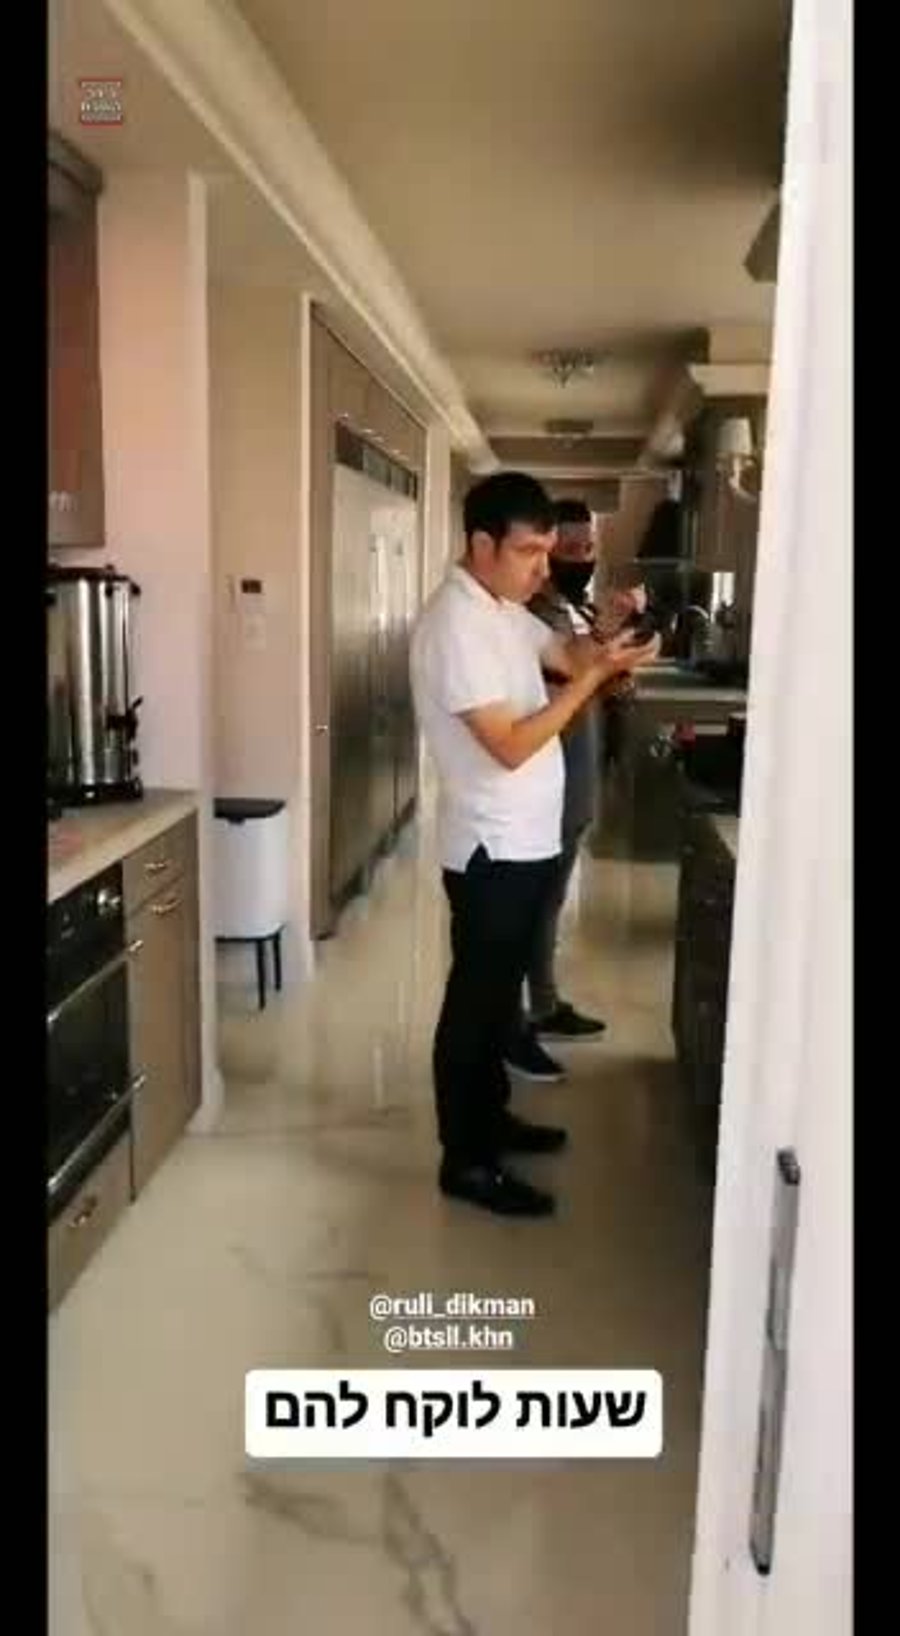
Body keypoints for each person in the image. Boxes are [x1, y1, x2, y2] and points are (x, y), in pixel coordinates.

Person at [409, 472, 660, 1218]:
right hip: (490, 848)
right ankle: (465, 1160)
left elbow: (568, 656)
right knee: (476, 1003)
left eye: (548, 552)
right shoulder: (455, 626)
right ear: (481, 544)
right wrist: (592, 682)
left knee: (497, 1003)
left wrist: (607, 639)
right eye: (529, 552)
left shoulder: (503, 610)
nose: (541, 568)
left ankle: (492, 1121)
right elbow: (511, 745)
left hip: (525, 839)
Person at [503, 498, 646, 1082]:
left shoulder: (572, 609)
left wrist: (616, 659)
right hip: (548, 782)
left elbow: (591, 678)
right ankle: (520, 1018)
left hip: (578, 777)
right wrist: (601, 670)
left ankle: (543, 1003)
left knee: (551, 901)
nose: (579, 558)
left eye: (587, 548)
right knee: (532, 905)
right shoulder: (533, 616)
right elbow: (559, 685)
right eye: (566, 549)